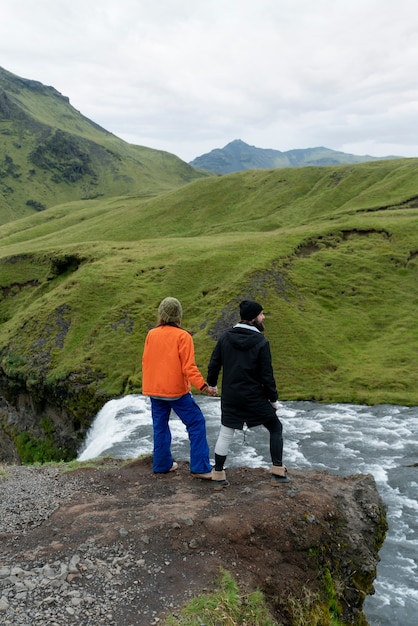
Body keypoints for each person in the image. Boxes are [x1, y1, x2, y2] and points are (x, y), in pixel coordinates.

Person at [207, 299, 289, 489]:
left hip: (231, 396)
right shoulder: (261, 341)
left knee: (226, 432)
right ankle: (278, 469)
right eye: (261, 314)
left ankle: (218, 474)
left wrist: (212, 385)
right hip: (254, 397)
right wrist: (273, 399)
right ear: (253, 319)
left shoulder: (226, 336)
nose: (263, 317)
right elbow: (267, 375)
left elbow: (214, 364)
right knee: (275, 427)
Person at [142, 297, 215, 478]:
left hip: (154, 390)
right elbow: (188, 368)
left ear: (161, 314)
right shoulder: (184, 336)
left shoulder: (151, 334)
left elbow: (147, 361)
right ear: (178, 316)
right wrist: (204, 387)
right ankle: (200, 468)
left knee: (160, 427)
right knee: (196, 423)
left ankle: (161, 465)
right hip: (176, 391)